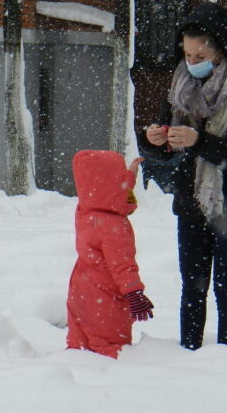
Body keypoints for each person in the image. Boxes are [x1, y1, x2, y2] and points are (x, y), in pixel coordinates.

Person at [137, 2, 227, 350]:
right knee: (192, 285)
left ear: (220, 50)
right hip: (192, 201)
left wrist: (199, 140)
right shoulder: (179, 87)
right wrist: (153, 140)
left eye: (199, 55)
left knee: (226, 283)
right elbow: (163, 149)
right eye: (187, 55)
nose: (191, 63)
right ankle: (188, 352)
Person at [66, 150, 154, 358]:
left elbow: (112, 196)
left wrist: (129, 177)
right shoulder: (114, 225)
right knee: (109, 348)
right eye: (120, 175)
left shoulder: (85, 210)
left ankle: (71, 383)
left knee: (79, 348)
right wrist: (134, 293)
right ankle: (109, 386)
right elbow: (122, 265)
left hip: (80, 291)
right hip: (106, 296)